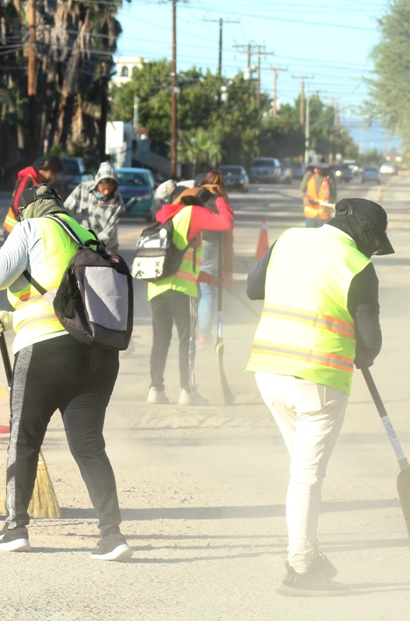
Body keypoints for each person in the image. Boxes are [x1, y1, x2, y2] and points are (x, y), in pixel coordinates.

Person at [0, 184, 131, 561]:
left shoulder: (31, 228)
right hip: (98, 355)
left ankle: (15, 528)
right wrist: (13, 317)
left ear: (26, 211)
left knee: (23, 440)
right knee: (89, 447)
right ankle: (112, 535)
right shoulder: (85, 234)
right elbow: (58, 290)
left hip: (46, 352)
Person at [244, 198, 393, 596]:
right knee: (307, 476)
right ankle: (302, 567)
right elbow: (371, 341)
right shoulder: (358, 266)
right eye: (374, 241)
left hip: (269, 371)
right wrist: (364, 353)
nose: (373, 249)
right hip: (318, 380)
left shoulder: (289, 239)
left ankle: (307, 552)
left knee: (301, 471)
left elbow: (252, 287)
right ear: (365, 233)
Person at [146, 184, 234, 406]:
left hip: (157, 288)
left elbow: (178, 259)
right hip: (182, 290)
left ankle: (155, 390)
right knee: (188, 341)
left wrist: (207, 278)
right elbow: (225, 223)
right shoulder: (192, 213)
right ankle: (187, 391)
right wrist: (220, 198)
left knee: (160, 341)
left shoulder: (168, 217)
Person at [195, 170, 235, 348]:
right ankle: (203, 335)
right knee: (207, 292)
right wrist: (228, 270)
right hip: (212, 246)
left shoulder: (196, 197)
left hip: (192, 242)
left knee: (191, 289)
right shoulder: (221, 202)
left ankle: (189, 333)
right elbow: (228, 237)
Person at [63, 161, 123, 255]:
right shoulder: (82, 189)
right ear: (97, 183)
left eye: (110, 188)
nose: (106, 192)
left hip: (106, 245)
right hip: (80, 241)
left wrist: (94, 244)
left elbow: (109, 229)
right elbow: (66, 209)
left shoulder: (117, 200)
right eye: (103, 188)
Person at [3, 156, 64, 235]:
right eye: (55, 177)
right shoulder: (28, 178)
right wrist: (23, 223)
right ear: (50, 173)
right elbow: (17, 202)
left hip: (25, 230)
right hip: (15, 229)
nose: (54, 180)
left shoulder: (39, 183)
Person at [299, 164, 337, 228]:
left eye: (318, 168)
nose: (315, 170)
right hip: (310, 216)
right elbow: (301, 191)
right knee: (310, 236)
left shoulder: (329, 178)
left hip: (325, 217)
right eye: (314, 168)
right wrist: (304, 198)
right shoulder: (308, 176)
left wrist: (329, 200)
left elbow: (334, 195)